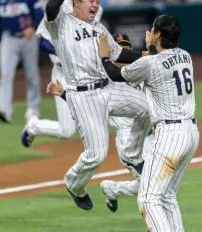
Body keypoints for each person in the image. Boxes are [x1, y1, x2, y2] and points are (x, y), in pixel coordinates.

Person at [31, 0, 152, 211]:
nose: (96, 4)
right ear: (77, 2)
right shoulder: (62, 23)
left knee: (148, 109)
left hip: (109, 88)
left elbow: (120, 55)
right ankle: (74, 184)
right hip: (84, 96)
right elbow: (51, 7)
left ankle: (132, 154)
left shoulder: (99, 28)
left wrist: (147, 54)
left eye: (98, 0)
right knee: (96, 155)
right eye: (91, 0)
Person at [24, 33, 155, 212]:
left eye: (126, 48)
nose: (123, 51)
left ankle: (112, 189)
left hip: (149, 135)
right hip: (128, 138)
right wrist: (64, 94)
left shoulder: (138, 70)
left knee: (154, 183)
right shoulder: (104, 79)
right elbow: (88, 101)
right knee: (153, 185)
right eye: (118, 48)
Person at [98, 15, 200, 231]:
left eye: (153, 29)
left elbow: (115, 74)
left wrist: (104, 58)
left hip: (169, 135)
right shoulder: (185, 56)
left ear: (158, 35)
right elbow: (160, 62)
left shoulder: (150, 62)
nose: (150, 31)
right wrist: (151, 48)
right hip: (191, 133)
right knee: (167, 195)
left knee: (148, 199)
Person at [24, 0, 103, 140]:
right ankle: (33, 125)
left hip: (86, 72)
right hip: (63, 73)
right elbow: (43, 41)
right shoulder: (58, 9)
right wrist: (64, 52)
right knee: (66, 131)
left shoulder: (97, 9)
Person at [0, 0, 43, 123]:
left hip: (28, 38)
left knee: (31, 74)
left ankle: (33, 109)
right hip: (8, 38)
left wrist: (33, 28)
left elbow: (39, 15)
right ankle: (4, 110)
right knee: (6, 75)